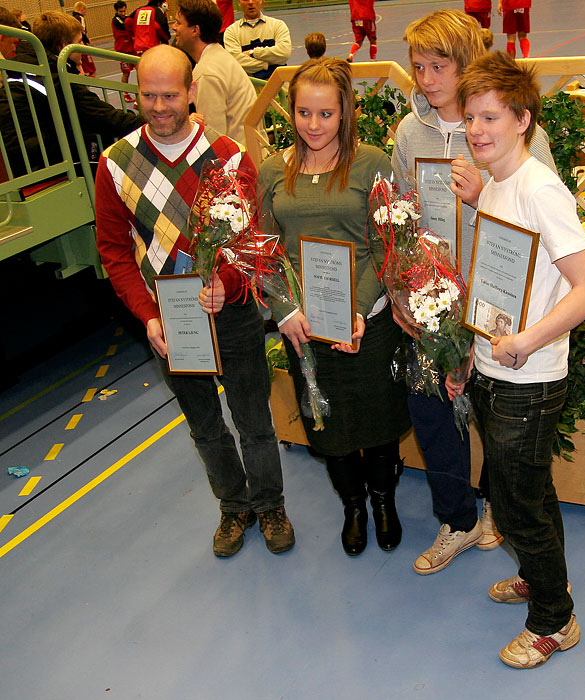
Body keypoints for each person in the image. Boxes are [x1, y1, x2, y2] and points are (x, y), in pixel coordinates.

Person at [95, 44, 294, 558]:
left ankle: (270, 504)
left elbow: (249, 236)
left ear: (191, 92)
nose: (159, 107)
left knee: (253, 419)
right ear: (134, 91)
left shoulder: (228, 157)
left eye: (170, 95)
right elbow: (114, 251)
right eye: (147, 95)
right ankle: (234, 508)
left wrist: (225, 283)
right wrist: (148, 316)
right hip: (171, 325)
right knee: (205, 425)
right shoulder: (114, 164)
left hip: (230, 314)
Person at [455, 50, 585, 669]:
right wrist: (473, 346)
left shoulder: (542, 190)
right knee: (526, 493)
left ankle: (554, 621)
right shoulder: (497, 183)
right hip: (494, 368)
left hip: (529, 378)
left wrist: (527, 342)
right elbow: (498, 280)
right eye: (470, 118)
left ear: (523, 120)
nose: (477, 130)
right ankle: (547, 581)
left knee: (517, 502)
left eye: (490, 117)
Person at [392, 9, 556, 575]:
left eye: (440, 66)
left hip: (498, 301)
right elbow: (400, 217)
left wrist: (485, 191)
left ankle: (494, 509)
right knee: (432, 407)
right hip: (434, 296)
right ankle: (457, 519)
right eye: (419, 67)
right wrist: (402, 286)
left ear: (467, 67)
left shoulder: (505, 125)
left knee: (492, 410)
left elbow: (548, 216)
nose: (428, 79)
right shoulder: (409, 133)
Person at [258, 58, 411, 556]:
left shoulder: (373, 164)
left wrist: (359, 311)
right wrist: (284, 310)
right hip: (306, 328)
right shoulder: (271, 171)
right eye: (304, 112)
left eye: (326, 114)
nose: (314, 125)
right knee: (329, 430)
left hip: (367, 322)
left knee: (379, 421)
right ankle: (352, 505)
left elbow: (385, 244)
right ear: (292, 112)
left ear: (345, 112)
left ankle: (384, 500)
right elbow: (264, 250)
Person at [0, 11, 144, 176]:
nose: (83, 47)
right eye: (79, 41)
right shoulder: (54, 75)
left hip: (27, 158)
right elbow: (101, 116)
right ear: (64, 47)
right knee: (105, 145)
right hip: (37, 163)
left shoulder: (30, 66)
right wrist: (147, 124)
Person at [173, 0, 257, 145]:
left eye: (178, 23)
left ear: (195, 30)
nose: (174, 27)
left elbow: (213, 140)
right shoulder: (219, 58)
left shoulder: (207, 73)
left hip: (237, 161)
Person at [223, 0, 291, 80]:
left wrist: (252, 53)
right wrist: (267, 64)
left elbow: (284, 52)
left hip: (279, 86)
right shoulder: (231, 31)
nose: (250, 2)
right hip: (249, 87)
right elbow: (235, 61)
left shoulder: (278, 25)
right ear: (239, 2)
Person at [112, 1, 136, 102]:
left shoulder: (126, 18)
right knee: (126, 73)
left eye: (125, 11)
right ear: (116, 11)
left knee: (140, 69)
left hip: (132, 49)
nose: (123, 13)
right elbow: (127, 26)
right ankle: (125, 94)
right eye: (121, 11)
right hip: (123, 51)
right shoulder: (116, 21)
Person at [72, 2, 96, 76]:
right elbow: (81, 31)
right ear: (82, 9)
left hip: (75, 46)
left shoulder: (71, 18)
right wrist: (86, 40)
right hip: (81, 45)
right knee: (92, 70)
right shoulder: (80, 18)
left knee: (80, 68)